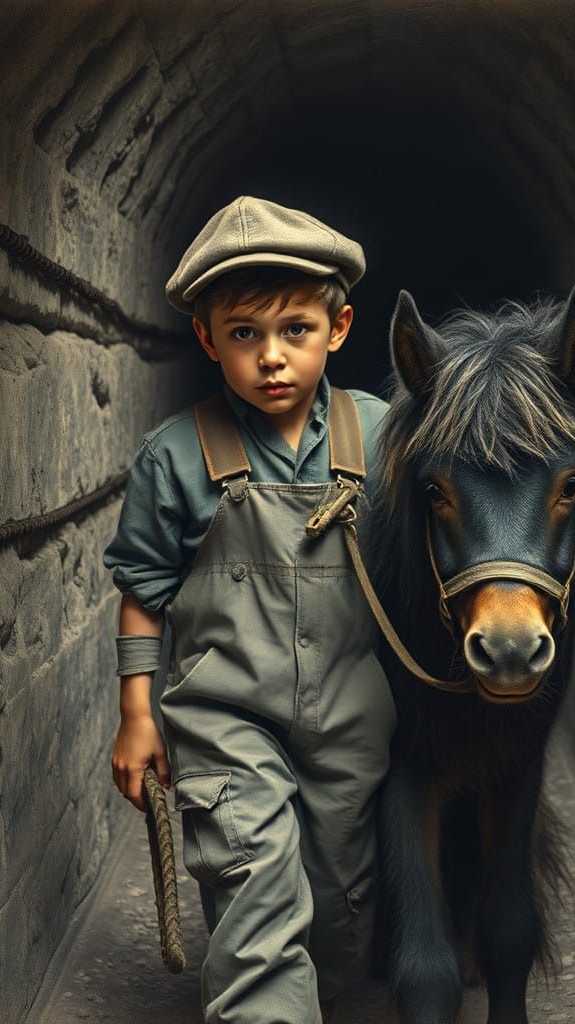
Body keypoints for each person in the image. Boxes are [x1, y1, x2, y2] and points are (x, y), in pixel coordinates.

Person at [102, 196, 397, 1024]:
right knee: (257, 886)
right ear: (207, 339)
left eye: (296, 329)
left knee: (340, 905)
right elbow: (143, 590)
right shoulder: (175, 455)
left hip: (352, 718)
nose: (271, 357)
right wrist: (136, 715)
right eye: (243, 333)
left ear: (338, 328)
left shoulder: (385, 437)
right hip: (224, 720)